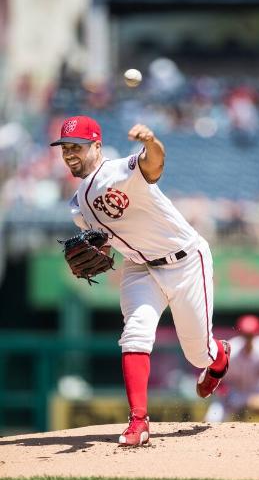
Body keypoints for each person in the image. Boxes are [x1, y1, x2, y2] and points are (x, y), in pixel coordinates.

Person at [50, 115, 231, 446]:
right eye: (65, 148)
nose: (69, 153)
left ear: (97, 146)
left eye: (76, 146)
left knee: (198, 354)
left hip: (186, 261)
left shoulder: (120, 170)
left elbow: (154, 164)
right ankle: (139, 422)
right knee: (134, 334)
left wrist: (150, 142)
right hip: (139, 268)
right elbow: (106, 243)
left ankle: (218, 357)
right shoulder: (78, 206)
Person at [205, 314, 259, 423]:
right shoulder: (230, 350)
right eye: (245, 335)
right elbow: (216, 379)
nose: (248, 338)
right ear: (240, 333)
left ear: (257, 334)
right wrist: (225, 395)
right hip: (235, 393)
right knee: (213, 417)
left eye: (250, 335)